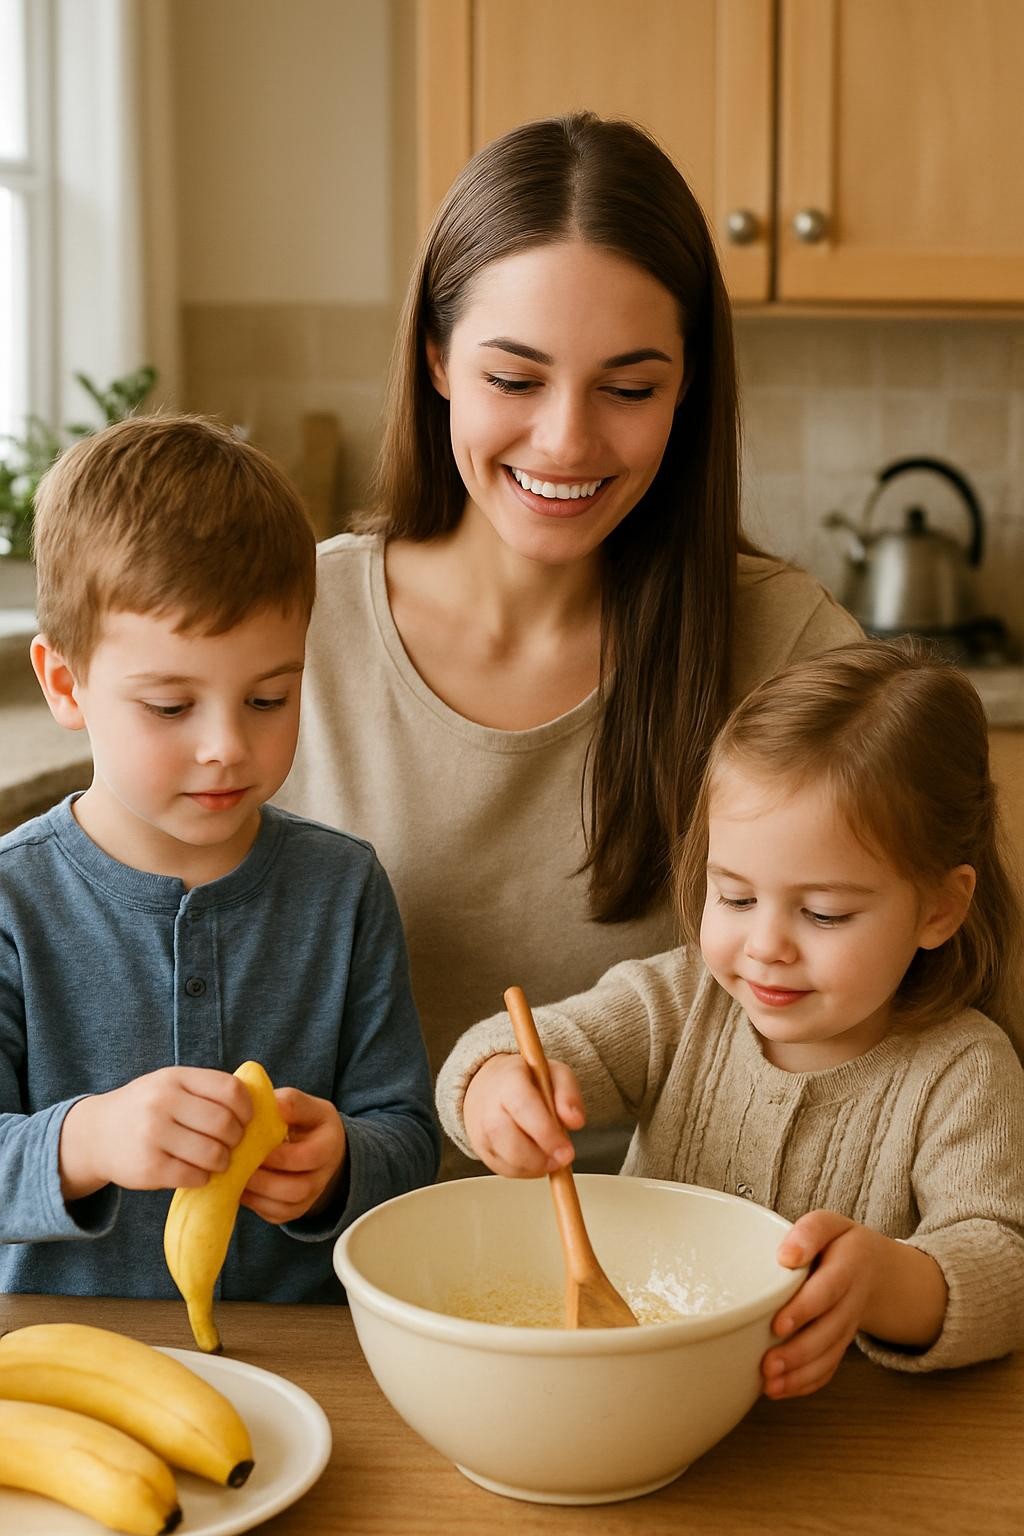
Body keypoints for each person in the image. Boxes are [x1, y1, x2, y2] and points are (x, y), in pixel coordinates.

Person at [277, 112, 861, 1175]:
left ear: (687, 388)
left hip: (685, 1288)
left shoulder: (790, 649)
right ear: (437, 359)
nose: (565, 441)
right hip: (334, 1282)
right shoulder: (290, 625)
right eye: (514, 379)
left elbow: (957, 1005)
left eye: (629, 389)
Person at [436, 640, 1024, 1394]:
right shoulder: (683, 1002)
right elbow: (524, 1046)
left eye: (824, 912)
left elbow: (1003, 1263)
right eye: (737, 897)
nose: (766, 947)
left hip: (844, 1442)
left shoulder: (963, 1072)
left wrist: (886, 1282)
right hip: (636, 1393)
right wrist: (498, 1088)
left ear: (940, 907)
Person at [0, 414, 440, 1301]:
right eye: (170, 707)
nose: (226, 747)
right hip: (75, 1371)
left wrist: (342, 1163)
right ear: (64, 685)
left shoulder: (343, 889)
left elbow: (409, 1139)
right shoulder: (15, 901)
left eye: (269, 697)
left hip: (313, 1366)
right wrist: (88, 1139)